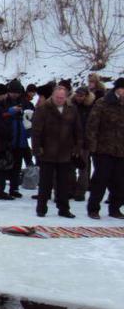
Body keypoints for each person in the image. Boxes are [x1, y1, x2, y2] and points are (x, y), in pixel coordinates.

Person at [31, 85, 82, 218]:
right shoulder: (43, 109)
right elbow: (36, 131)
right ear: (53, 96)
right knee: (45, 182)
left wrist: (77, 146)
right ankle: (41, 208)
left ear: (66, 97)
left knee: (64, 183)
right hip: (47, 151)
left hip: (65, 151)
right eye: (58, 97)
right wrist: (37, 148)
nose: (60, 100)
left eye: (62, 97)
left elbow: (77, 129)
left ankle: (63, 208)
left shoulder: (72, 109)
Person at [85, 77, 124, 220]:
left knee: (119, 182)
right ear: (118, 89)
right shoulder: (103, 103)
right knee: (100, 181)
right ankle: (93, 209)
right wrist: (93, 146)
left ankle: (115, 208)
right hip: (103, 149)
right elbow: (92, 125)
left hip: (121, 150)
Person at [69, 86, 95, 201]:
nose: (79, 97)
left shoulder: (91, 107)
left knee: (83, 168)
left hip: (84, 142)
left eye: (81, 95)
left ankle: (80, 192)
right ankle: (71, 189)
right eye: (78, 95)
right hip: (71, 141)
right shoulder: (71, 105)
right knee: (70, 167)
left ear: (86, 96)